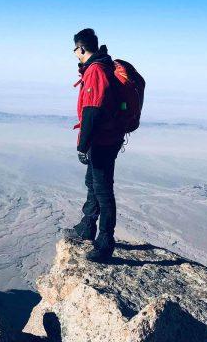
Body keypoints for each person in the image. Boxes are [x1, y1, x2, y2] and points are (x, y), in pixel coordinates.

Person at [62, 28, 125, 262]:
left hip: (103, 141)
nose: (74, 54)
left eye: (75, 50)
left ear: (80, 48)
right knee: (93, 183)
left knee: (103, 191)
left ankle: (105, 242)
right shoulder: (100, 66)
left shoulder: (96, 70)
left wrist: (82, 145)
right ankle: (87, 226)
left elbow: (92, 110)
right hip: (105, 137)